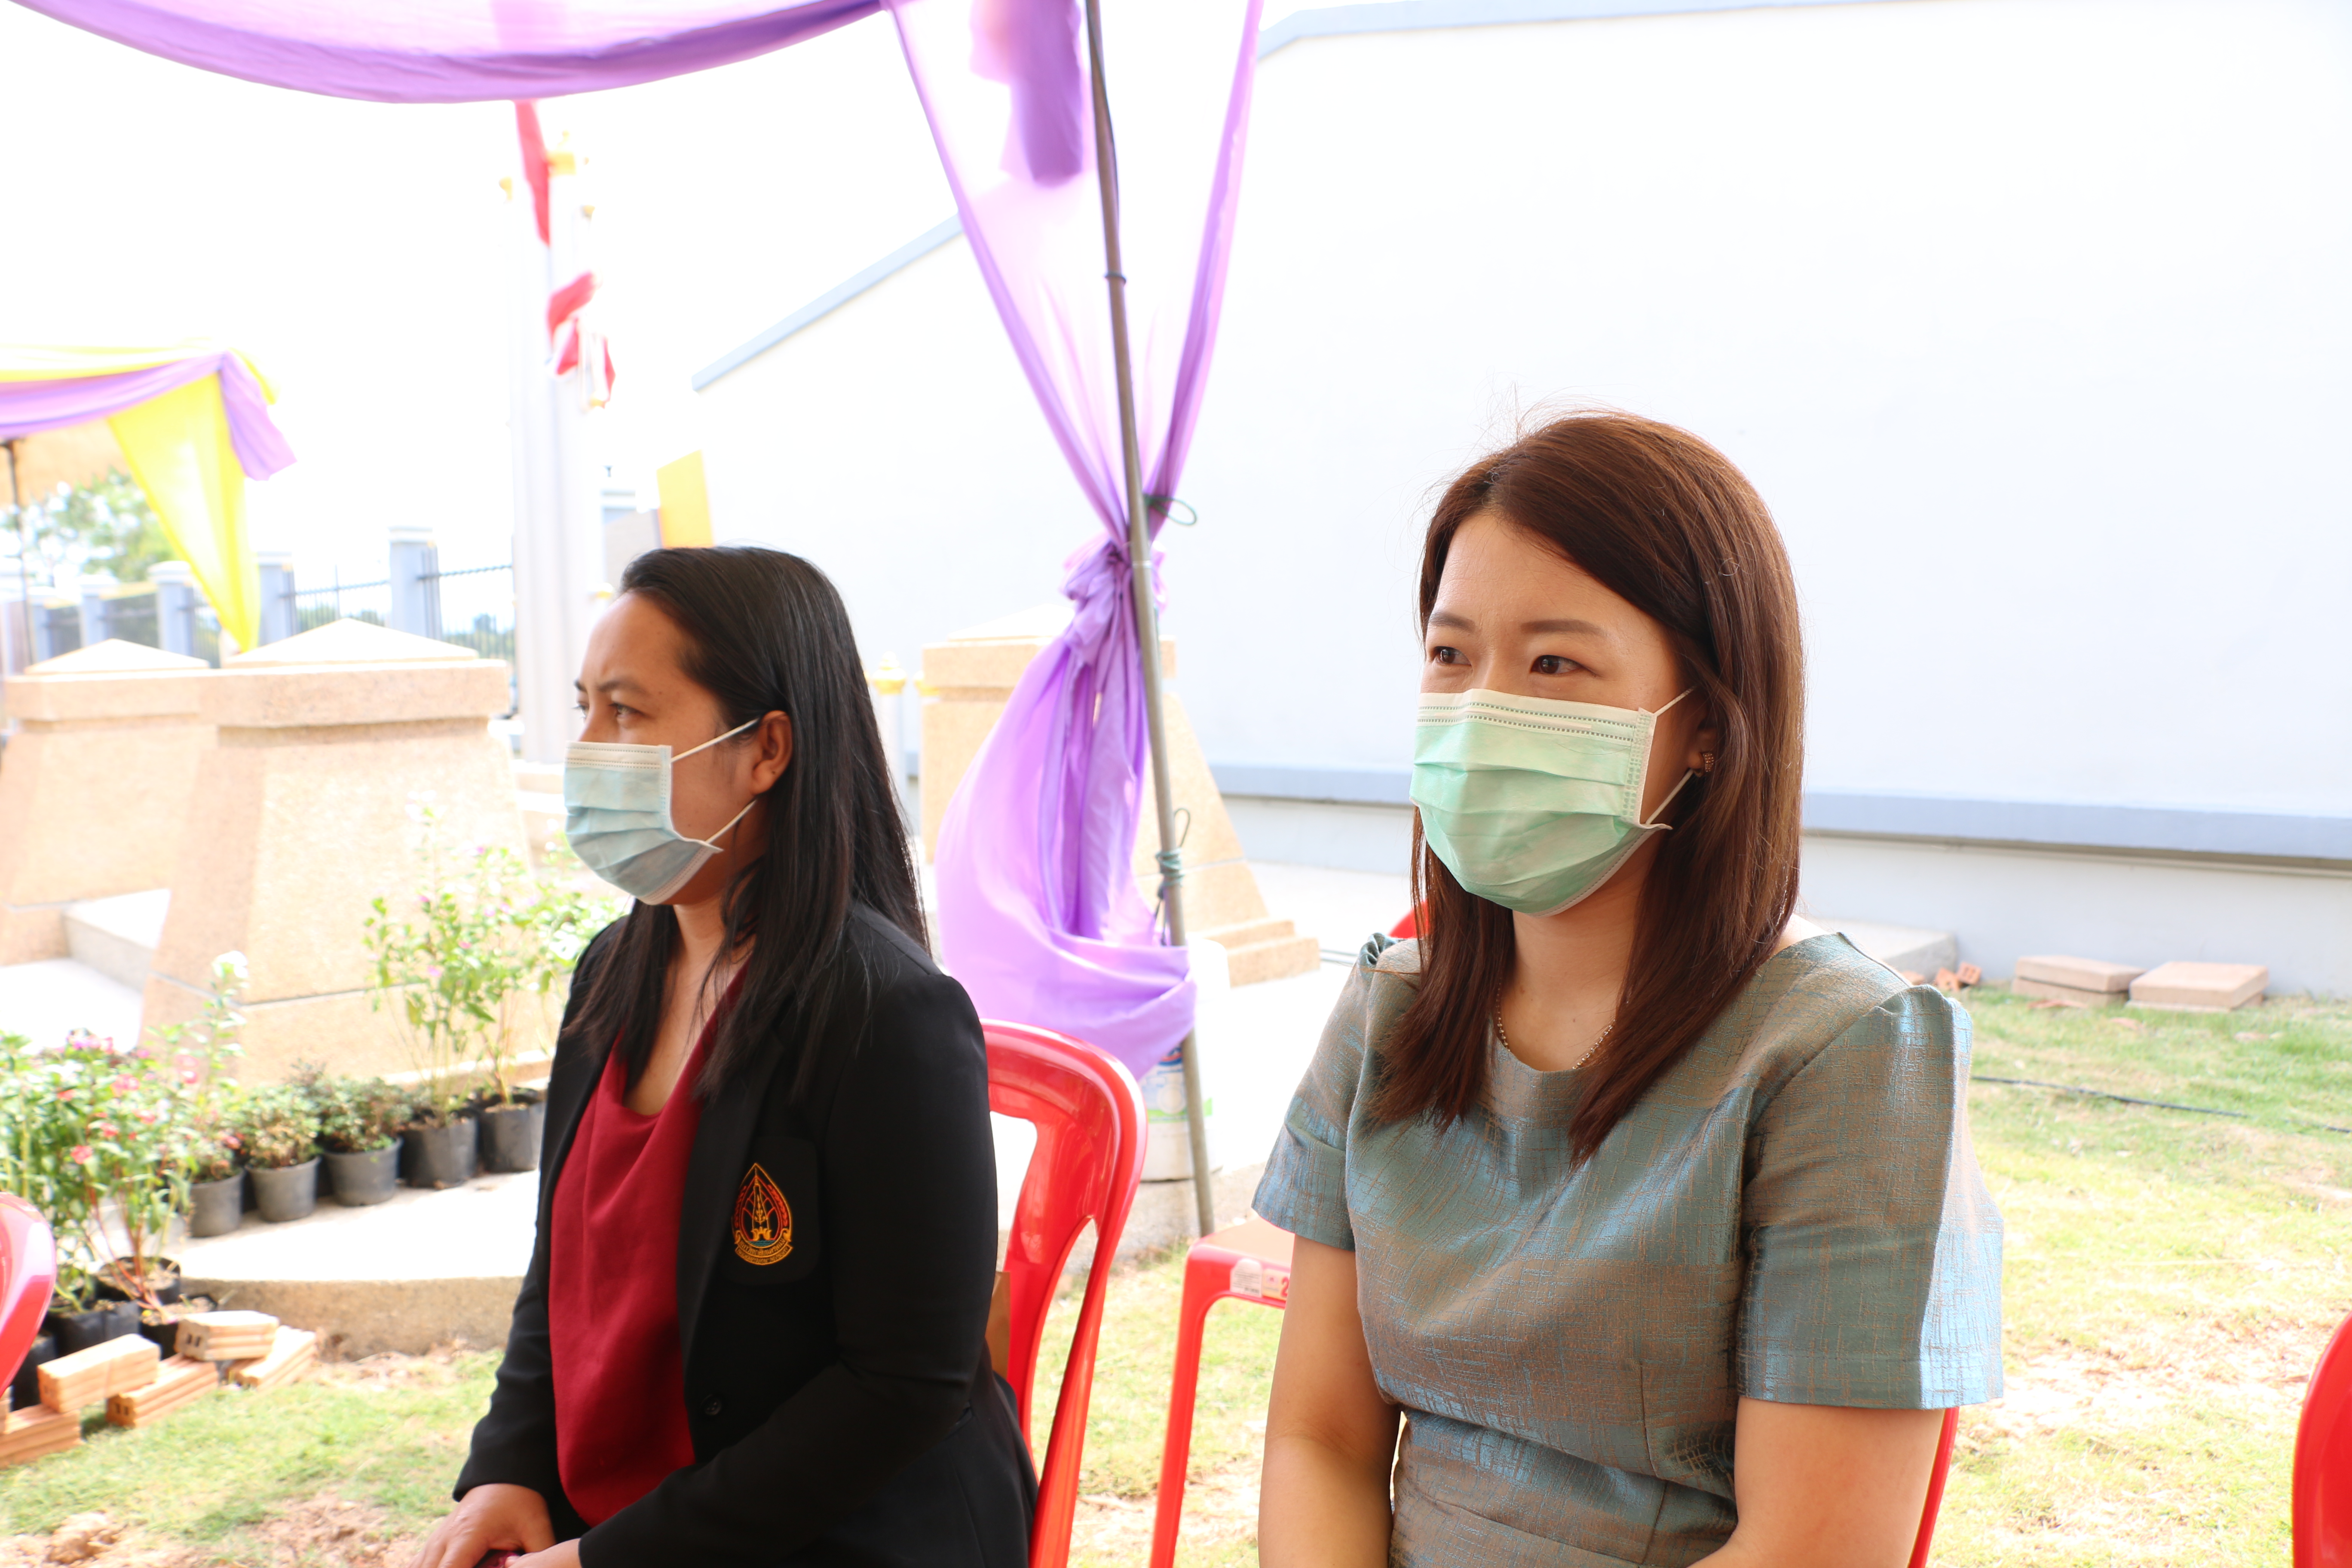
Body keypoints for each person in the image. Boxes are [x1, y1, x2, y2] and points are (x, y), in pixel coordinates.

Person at [1254, 412, 2004, 1568]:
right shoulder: (1391, 1011)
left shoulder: (1843, 1054)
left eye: (1555, 663)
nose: (1483, 712)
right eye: (1451, 656)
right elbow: (1321, 1440)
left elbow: (1813, 1550)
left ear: (1704, 723)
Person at [413, 546, 1034, 1568]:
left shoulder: (888, 1018)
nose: (587, 750)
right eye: (584, 710)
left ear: (766, 750)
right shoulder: (611, 975)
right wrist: (508, 1469)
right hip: (618, 1522)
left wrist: (608, 1560)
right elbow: (563, 1269)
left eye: (627, 712)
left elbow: (902, 1387)